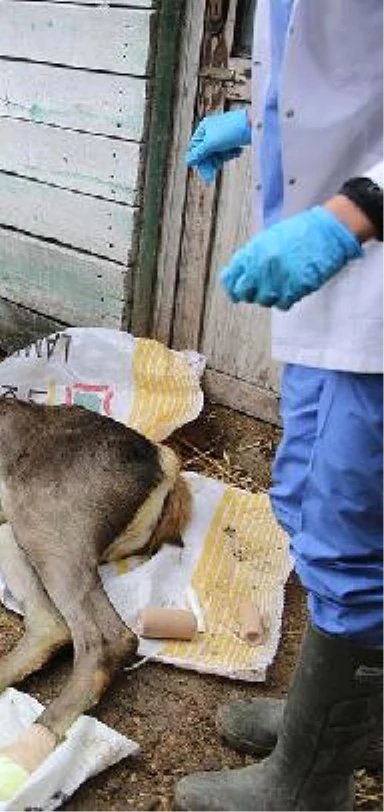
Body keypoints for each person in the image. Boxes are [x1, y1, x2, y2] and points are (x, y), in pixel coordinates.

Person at [174, 1, 384, 808]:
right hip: (330, 279)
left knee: (353, 532)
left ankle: (310, 786)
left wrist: (352, 212)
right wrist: (259, 126)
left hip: (367, 266)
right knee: (302, 492)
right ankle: (343, 718)